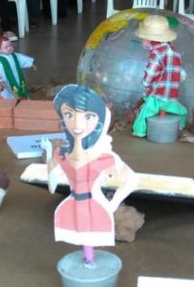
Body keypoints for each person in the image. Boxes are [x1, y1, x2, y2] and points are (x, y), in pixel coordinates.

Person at [45, 84, 137, 267]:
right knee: (78, 234)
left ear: (99, 120)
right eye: (69, 115)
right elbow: (52, 184)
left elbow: (132, 179)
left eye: (87, 117)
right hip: (71, 205)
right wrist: (49, 157)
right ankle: (88, 260)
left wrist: (112, 204)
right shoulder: (61, 153)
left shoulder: (102, 156)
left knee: (89, 236)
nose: (77, 125)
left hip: (94, 206)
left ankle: (89, 261)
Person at [130, 15, 187, 138]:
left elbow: (150, 74)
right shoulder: (174, 51)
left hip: (157, 96)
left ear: (149, 39)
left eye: (143, 39)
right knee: (181, 111)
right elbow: (180, 74)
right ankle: (181, 125)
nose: (142, 42)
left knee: (143, 115)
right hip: (171, 96)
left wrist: (145, 84)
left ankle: (138, 132)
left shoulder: (156, 53)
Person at [0, 36, 34, 100]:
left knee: (21, 88)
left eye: (10, 45)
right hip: (7, 83)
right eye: (6, 47)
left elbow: (22, 59)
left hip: (18, 79)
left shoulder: (14, 55)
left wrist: (31, 64)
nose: (9, 48)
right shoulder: (0, 63)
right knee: (10, 96)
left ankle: (24, 100)